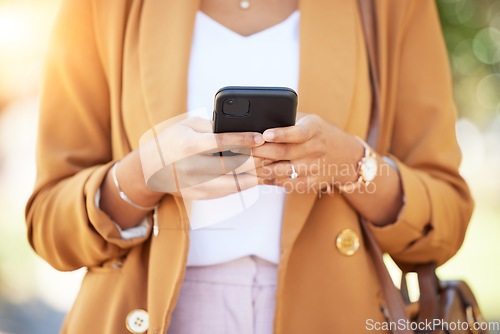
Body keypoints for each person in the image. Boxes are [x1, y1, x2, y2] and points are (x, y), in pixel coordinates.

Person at [25, 0, 474, 333]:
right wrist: (146, 174)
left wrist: (354, 165)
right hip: (154, 311)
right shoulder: (101, 7)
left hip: (334, 311)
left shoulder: (391, 8)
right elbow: (50, 222)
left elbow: (446, 220)